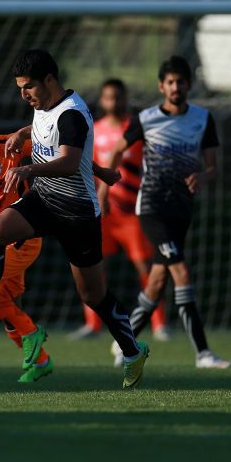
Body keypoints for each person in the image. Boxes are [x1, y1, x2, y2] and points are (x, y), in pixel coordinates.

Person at [0, 49, 150, 389]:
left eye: (28, 87)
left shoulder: (73, 114)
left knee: (93, 295)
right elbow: (51, 134)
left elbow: (69, 161)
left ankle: (133, 352)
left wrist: (28, 169)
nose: (24, 95)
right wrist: (24, 133)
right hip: (43, 199)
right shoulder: (45, 105)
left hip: (77, 213)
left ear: (49, 80)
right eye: (20, 88)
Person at [0, 99, 119, 382]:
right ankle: (39, 360)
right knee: (4, 303)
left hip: (21, 235)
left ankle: (31, 332)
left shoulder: (9, 145)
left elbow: (65, 155)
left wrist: (102, 173)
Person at [101, 55, 231, 369]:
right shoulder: (145, 118)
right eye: (170, 82)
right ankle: (203, 353)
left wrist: (203, 176)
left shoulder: (202, 118)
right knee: (181, 273)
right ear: (161, 86)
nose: (175, 87)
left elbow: (213, 167)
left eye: (180, 81)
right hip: (151, 209)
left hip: (181, 210)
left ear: (189, 85)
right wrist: (103, 190)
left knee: (157, 282)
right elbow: (117, 151)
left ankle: (123, 342)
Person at [69, 79, 171, 343]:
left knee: (145, 265)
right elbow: (87, 167)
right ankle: (93, 324)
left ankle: (159, 324)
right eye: (108, 97)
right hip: (101, 212)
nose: (113, 101)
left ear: (125, 98)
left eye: (118, 96)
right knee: (92, 267)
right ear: (102, 100)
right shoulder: (94, 129)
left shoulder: (136, 128)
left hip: (132, 212)